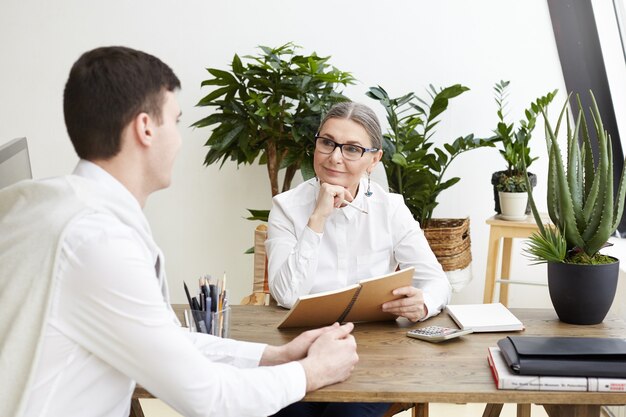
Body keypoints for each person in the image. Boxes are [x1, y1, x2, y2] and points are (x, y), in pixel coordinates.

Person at [0, 46, 359, 417]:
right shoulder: (98, 241)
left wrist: (274, 355)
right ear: (145, 128)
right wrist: (311, 372)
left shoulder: (59, 206)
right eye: (176, 121)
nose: (180, 139)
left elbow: (169, 343)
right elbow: (208, 399)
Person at [266, 101, 452, 416]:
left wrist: (422, 303)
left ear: (374, 160)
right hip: (302, 348)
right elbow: (285, 295)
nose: (335, 157)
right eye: (327, 143)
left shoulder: (390, 208)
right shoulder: (287, 206)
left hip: (372, 353)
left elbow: (436, 281)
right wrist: (318, 217)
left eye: (352, 149)